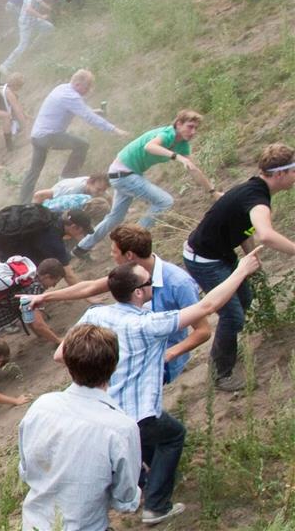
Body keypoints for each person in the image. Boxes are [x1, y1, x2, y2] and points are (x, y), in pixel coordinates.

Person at [56, 248, 264, 525]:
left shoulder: (95, 315)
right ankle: (156, 505)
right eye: (147, 281)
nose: (152, 283)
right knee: (172, 436)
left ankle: (147, 481)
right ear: (138, 293)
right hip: (137, 410)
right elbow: (207, 307)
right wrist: (240, 271)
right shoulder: (147, 324)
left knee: (144, 441)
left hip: (101, 408)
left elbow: (59, 354)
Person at [24, 225, 210, 384]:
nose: (111, 255)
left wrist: (170, 354)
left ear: (129, 255)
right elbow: (90, 287)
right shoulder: (130, 272)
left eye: (114, 251)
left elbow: (203, 331)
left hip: (158, 363)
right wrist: (46, 297)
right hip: (129, 354)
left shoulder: (178, 283)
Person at [183, 143, 295, 390]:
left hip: (221, 254)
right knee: (232, 315)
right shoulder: (257, 199)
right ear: (280, 174)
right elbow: (266, 234)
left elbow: (243, 225)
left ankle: (227, 348)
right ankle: (221, 375)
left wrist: (249, 254)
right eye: (293, 170)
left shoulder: (255, 190)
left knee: (244, 297)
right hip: (203, 260)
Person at [19, 323, 141, 531]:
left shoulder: (41, 406)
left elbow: (26, 469)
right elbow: (125, 499)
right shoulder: (121, 428)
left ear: (67, 363)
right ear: (114, 365)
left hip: (34, 524)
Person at [73, 110, 219, 259]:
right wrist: (177, 157)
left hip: (124, 174)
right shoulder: (167, 134)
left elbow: (193, 169)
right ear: (178, 124)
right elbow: (149, 146)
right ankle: (132, 242)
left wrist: (213, 192)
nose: (193, 131)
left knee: (115, 217)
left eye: (196, 128)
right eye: (190, 126)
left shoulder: (182, 144)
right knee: (164, 201)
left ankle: (81, 247)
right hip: (124, 175)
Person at [19, 70, 128, 204]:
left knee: (33, 172)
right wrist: (114, 129)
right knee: (82, 144)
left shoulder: (62, 88)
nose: (88, 91)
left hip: (37, 136)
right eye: (86, 87)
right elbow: (87, 117)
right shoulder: (71, 97)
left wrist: (93, 111)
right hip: (49, 135)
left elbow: (78, 110)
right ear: (77, 84)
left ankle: (23, 203)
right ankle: (66, 179)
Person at [0, 257, 65, 346]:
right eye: (55, 281)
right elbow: (38, 324)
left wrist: (41, 335)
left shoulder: (26, 274)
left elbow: (29, 316)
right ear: (46, 276)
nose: (54, 286)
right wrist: (58, 340)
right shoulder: (34, 289)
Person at [0, 0, 62, 74]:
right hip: (25, 22)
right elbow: (28, 9)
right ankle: (5, 66)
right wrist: (41, 16)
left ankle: (34, 47)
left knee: (49, 28)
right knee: (22, 45)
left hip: (33, 20)